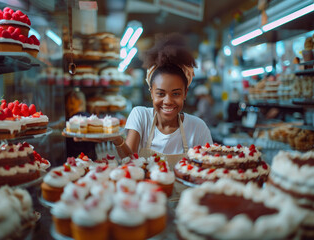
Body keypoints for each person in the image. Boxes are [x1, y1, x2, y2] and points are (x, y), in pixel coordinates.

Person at [74, 33, 213, 169]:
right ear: (151, 92)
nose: (168, 101)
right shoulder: (140, 115)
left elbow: (208, 168)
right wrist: (117, 139)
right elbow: (129, 160)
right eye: (161, 93)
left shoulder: (198, 127)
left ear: (185, 93)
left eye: (176, 93)